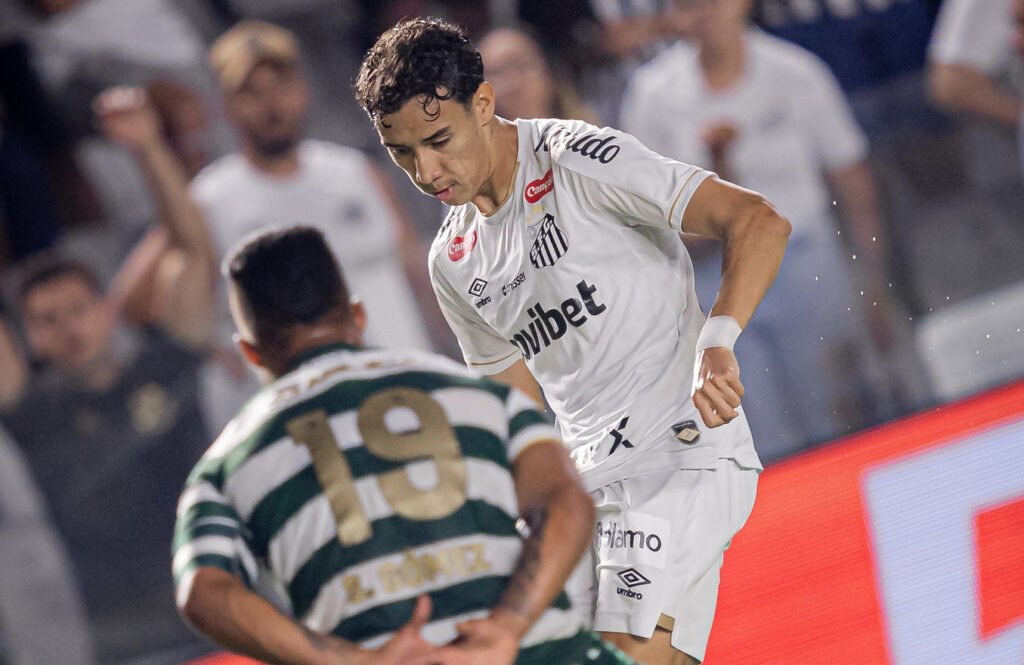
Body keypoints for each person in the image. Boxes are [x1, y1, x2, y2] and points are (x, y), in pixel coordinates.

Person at [355, 17, 791, 665]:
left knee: (611, 657)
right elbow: (518, 417)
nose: (427, 170)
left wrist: (718, 339)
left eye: (439, 140)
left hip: (682, 453)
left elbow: (757, 220)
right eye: (403, 153)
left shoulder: (578, 158)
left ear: (483, 103)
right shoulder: (453, 260)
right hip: (591, 495)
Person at [172, 226, 635, 665]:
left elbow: (203, 591)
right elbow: (565, 498)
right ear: (357, 315)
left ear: (251, 352)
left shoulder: (228, 462)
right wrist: (506, 627)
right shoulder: (481, 395)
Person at [95, 19, 438, 434]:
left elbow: (417, 274)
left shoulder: (356, 172)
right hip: (295, 423)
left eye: (281, 84)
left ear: (303, 89)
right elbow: (132, 304)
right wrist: (150, 153)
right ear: (224, 105)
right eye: (250, 92)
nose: (271, 104)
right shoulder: (208, 198)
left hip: (404, 391)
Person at [619, 0, 894, 457]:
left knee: (841, 412)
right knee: (754, 431)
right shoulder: (652, 94)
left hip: (804, 262)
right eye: (687, 4)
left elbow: (852, 179)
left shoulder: (796, 72)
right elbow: (644, 219)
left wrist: (874, 283)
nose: (703, 12)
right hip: (712, 278)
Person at [0, 255, 210, 664]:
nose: (68, 329)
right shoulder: (31, 418)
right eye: (47, 319)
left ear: (107, 307)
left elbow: (191, 251)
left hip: (224, 623)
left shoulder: (167, 368)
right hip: (122, 648)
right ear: (28, 335)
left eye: (77, 309)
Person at [478, 27, 600, 124]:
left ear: (549, 73)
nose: (514, 82)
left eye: (523, 65)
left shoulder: (590, 139)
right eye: (497, 72)